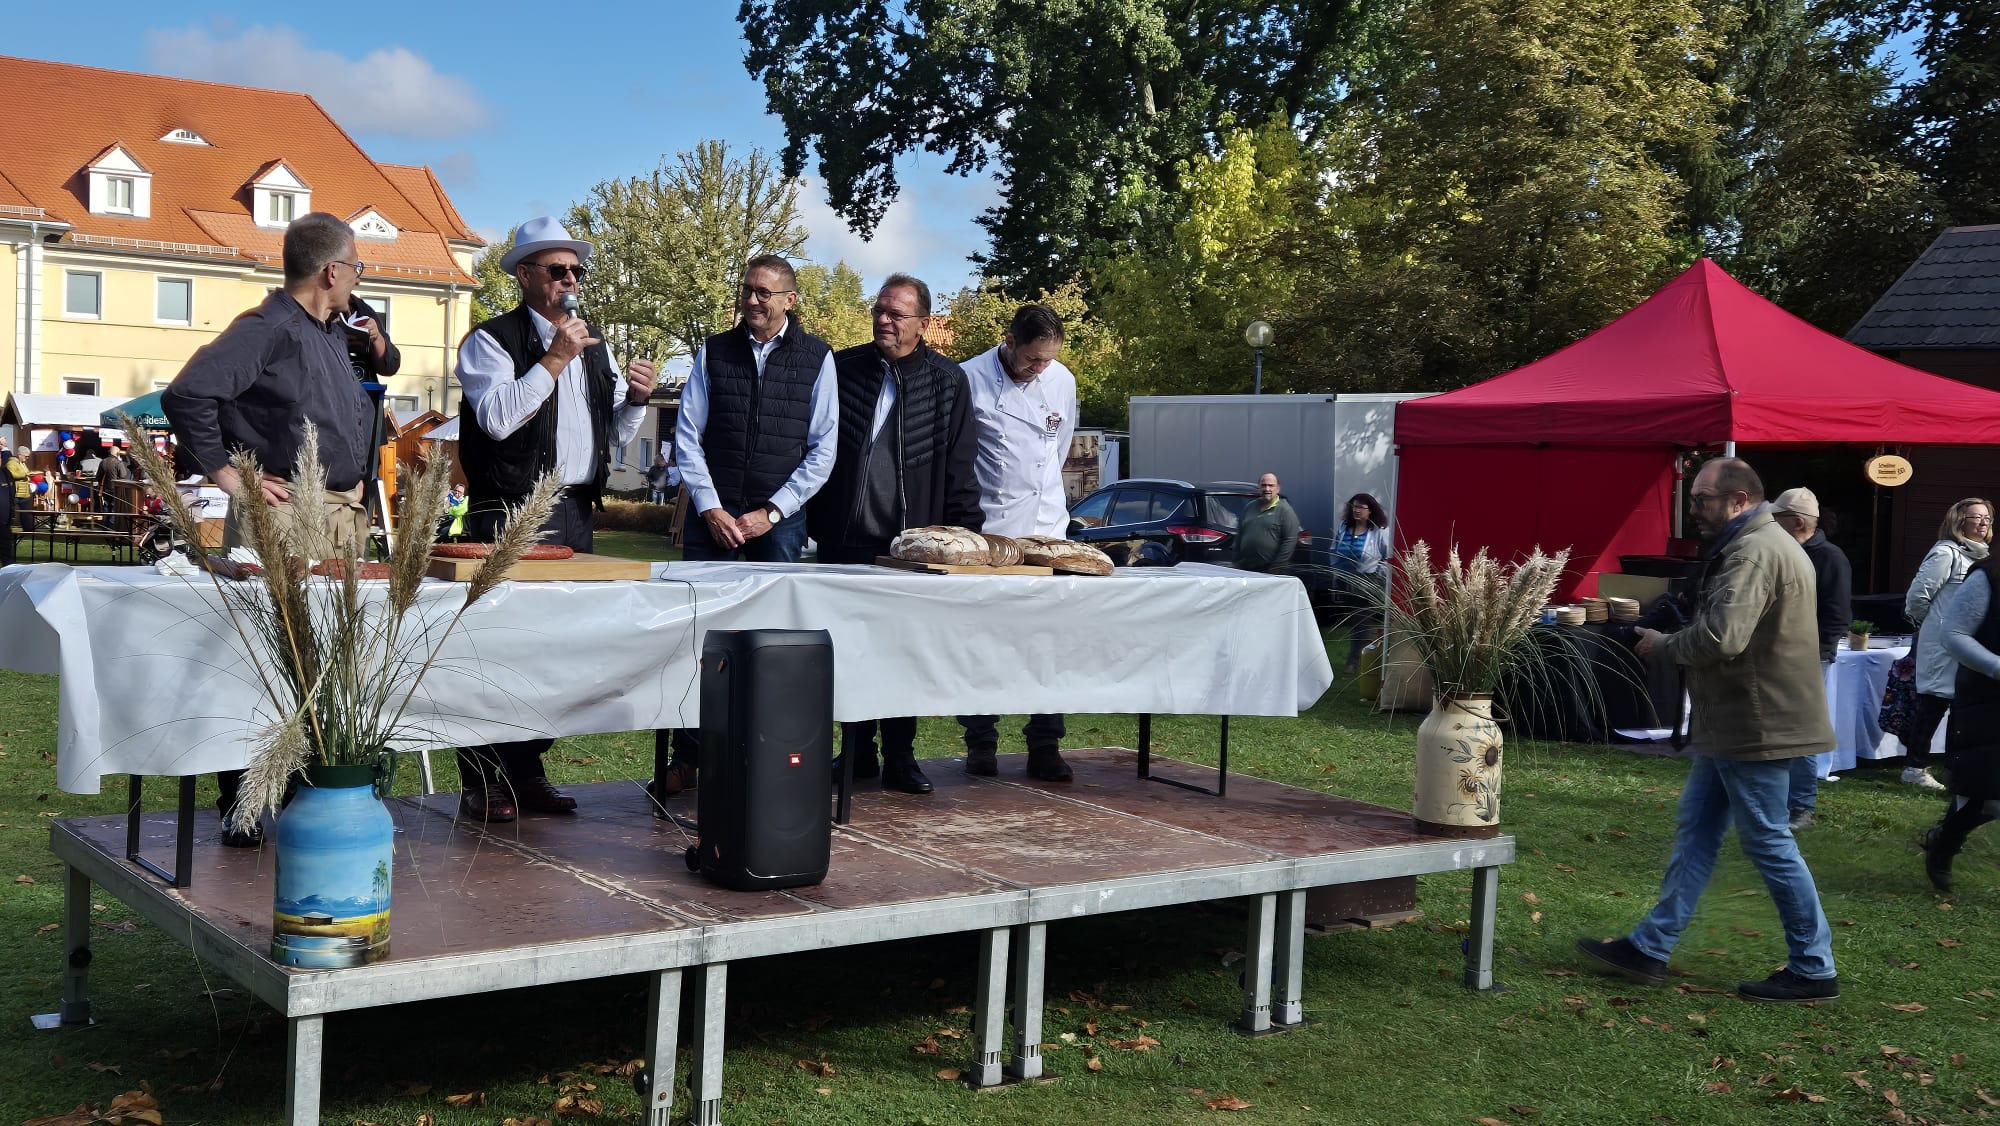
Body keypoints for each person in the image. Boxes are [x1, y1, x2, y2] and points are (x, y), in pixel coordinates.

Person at [1578, 457, 1839, 1003]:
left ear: (1740, 500)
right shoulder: (1761, 544)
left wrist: (1663, 645)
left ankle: (1814, 967)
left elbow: (1723, 638)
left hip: (1757, 720)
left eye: (1702, 499)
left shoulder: (1754, 550)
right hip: (1737, 718)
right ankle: (1651, 946)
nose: (1694, 510)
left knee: (1768, 839)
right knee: (1697, 829)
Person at [161, 211, 381, 848]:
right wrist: (231, 477)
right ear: (331, 270)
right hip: (285, 514)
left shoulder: (328, 332)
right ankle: (246, 802)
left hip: (337, 514)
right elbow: (188, 394)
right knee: (267, 664)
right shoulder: (271, 327)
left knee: (324, 666)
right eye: (356, 266)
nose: (358, 278)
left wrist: (355, 480)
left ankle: (304, 792)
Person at [453, 215, 659, 823]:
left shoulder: (591, 343)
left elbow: (610, 436)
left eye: (576, 270)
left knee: (557, 655)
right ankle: (484, 778)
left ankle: (528, 769)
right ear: (525, 275)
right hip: (512, 511)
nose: (571, 280)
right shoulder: (491, 340)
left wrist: (639, 402)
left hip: (573, 513)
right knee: (498, 650)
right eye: (558, 269)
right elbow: (496, 419)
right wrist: (553, 359)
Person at [648, 254, 837, 805]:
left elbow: (823, 450)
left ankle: (764, 759)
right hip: (714, 522)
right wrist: (709, 507)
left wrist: (772, 512)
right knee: (696, 642)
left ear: (789, 301)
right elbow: (688, 437)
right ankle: (689, 758)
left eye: (764, 293)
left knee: (773, 645)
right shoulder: (713, 351)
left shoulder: (817, 358)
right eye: (747, 290)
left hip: (777, 526)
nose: (752, 301)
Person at [806, 273, 981, 795]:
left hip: (913, 547)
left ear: (922, 323)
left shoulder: (948, 380)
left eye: (895, 313)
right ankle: (857, 753)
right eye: (879, 310)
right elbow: (816, 446)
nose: (883, 320)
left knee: (904, 652)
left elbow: (960, 464)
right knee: (850, 649)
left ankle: (902, 757)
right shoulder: (842, 368)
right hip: (845, 537)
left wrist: (964, 540)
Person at [954, 303, 1079, 782]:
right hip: (992, 527)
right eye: (1031, 359)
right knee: (985, 641)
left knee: (1049, 642)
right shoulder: (969, 378)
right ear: (1008, 341)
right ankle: (980, 741)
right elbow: (961, 456)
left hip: (1048, 526)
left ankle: (1045, 742)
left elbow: (1060, 446)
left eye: (1047, 360)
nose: (1039, 368)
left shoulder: (1061, 381)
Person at [1771, 487, 1851, 831]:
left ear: (1799, 522)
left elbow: (1837, 614)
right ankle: (1778, 801)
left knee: (1800, 733)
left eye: (1778, 520)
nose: (1772, 525)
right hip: (1779, 654)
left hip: (1808, 657)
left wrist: (1815, 652)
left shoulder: (1829, 558)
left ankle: (1801, 807)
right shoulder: (1783, 551)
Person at [1901, 498, 1991, 792]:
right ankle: (1914, 767)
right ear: (1958, 521)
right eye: (1976, 517)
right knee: (1934, 703)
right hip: (1942, 642)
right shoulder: (1945, 553)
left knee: (1959, 706)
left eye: (1987, 518)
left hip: (1967, 643)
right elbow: (1918, 596)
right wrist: (1932, 626)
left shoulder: (1983, 557)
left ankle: (1953, 768)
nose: (1983, 523)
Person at [1923, 552, 2000, 891]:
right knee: (1985, 797)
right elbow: (1953, 634)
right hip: (1988, 701)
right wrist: (1997, 667)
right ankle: (1944, 842)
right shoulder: (1987, 577)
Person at [1332, 492, 1392, 674]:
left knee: (1360, 622)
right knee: (1355, 622)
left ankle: (1354, 661)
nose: (1356, 511)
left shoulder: (1379, 531)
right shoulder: (1344, 527)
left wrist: (1378, 575)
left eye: (1361, 507)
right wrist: (1335, 576)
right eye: (1354, 506)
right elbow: (1334, 550)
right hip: (1345, 580)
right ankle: (1371, 656)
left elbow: (1388, 557)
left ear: (1370, 511)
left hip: (1366, 581)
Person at [1235, 473, 1300, 574]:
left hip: (1272, 571)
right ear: (1259, 488)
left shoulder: (1285, 511)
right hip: (1247, 568)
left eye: (1271, 485)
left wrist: (1277, 567)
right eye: (1263, 485)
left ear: (1278, 488)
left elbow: (1290, 541)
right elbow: (1240, 534)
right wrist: (1236, 561)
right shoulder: (1250, 507)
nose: (1267, 489)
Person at [1, 447, 22, 565]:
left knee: (7, 555)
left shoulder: (5, 473)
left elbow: (11, 491)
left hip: (5, 521)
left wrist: (11, 512)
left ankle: (8, 576)